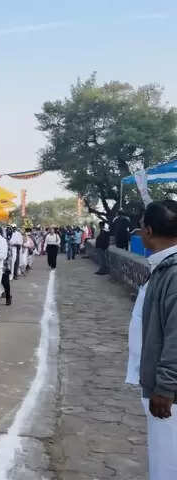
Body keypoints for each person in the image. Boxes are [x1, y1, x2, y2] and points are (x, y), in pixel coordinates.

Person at [125, 200, 177, 480]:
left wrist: (166, 386)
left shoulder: (173, 272)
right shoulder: (163, 267)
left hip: (169, 394)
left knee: (166, 463)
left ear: (148, 231)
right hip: (162, 385)